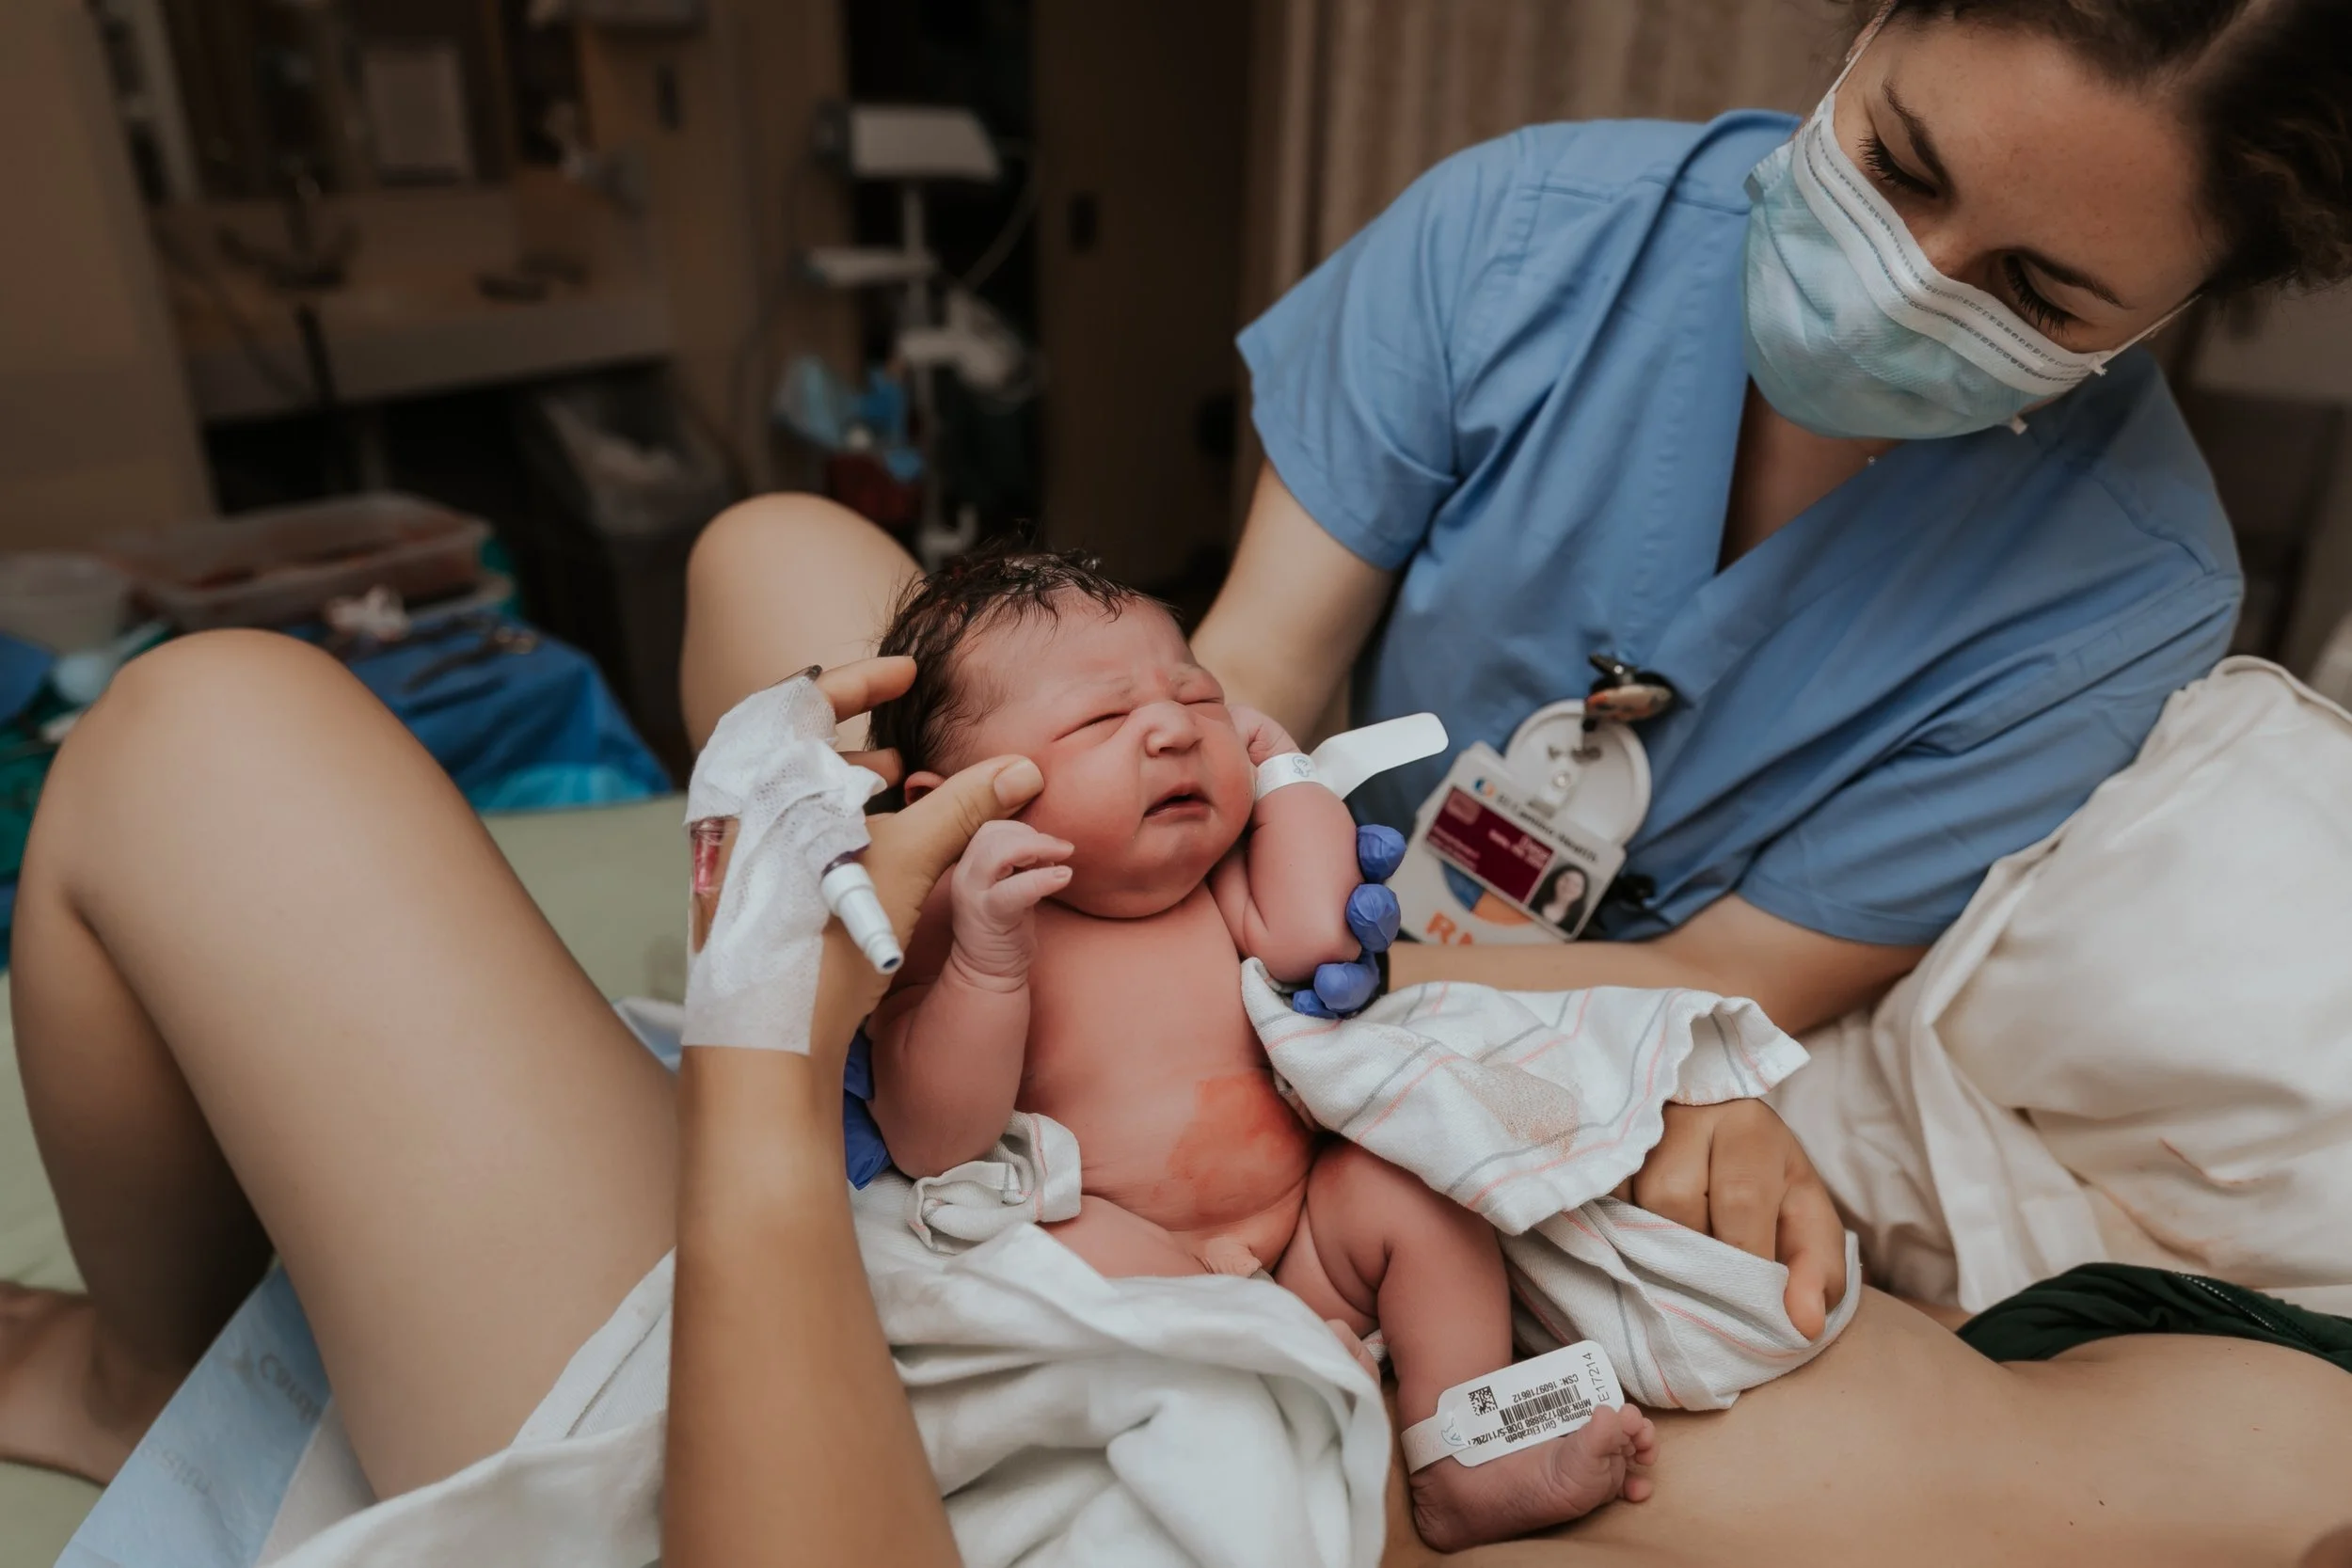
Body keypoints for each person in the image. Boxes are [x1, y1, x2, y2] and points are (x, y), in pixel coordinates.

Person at [1, 629, 2348, 1568]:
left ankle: (154, 1366)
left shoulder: (2203, 1473)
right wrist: (1703, 1095)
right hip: (1098, 1222)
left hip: (834, 1449)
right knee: (793, 567)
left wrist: (757, 1038)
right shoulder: (2187, 1400)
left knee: (206, 728)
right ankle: (159, 1357)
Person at [1188, 0, 2352, 1041]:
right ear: (1869, 29)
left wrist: (1372, 997)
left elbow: (1730, 974)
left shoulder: (2127, 595)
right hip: (1272, 928)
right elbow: (1253, 674)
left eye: (2037, 294)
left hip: (1625, 1084)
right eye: (1896, 165)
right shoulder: (1517, 238)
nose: (1899, 289)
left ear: (2176, 311)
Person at [862, 549, 1660, 1546]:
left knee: (1410, 1192)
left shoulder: (1211, 877)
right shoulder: (956, 917)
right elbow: (939, 1140)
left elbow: (1317, 935)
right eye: (1102, 720)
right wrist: (983, 963)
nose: (1171, 728)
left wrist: (1283, 772)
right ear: (960, 801)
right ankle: (1274, 1363)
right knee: (1044, 1251)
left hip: (1300, 1238)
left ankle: (1459, 1449)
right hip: (1117, 1241)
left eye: (1197, 698)